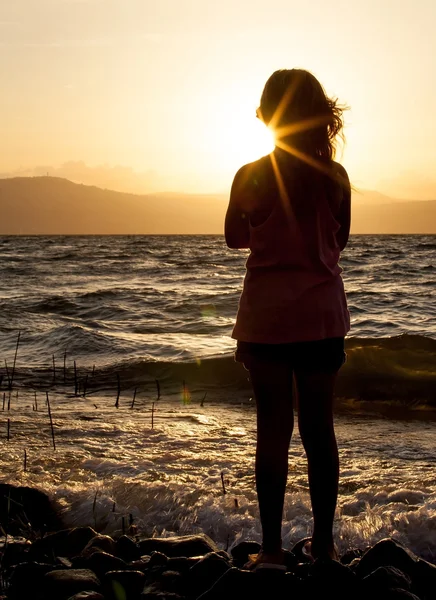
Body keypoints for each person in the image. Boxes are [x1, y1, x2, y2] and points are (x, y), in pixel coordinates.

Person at [225, 69, 351, 567]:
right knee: (320, 431)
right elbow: (338, 241)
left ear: (268, 115)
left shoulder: (251, 174)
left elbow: (235, 237)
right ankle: (322, 547)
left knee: (272, 430)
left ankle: (274, 550)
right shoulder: (335, 178)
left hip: (267, 317)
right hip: (320, 315)